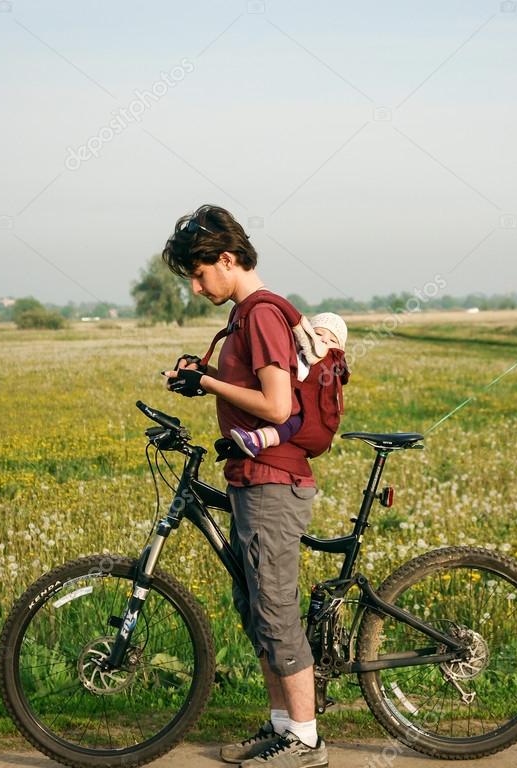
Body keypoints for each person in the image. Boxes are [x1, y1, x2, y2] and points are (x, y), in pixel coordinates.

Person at [162, 205, 329, 768]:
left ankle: (306, 742)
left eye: (198, 270)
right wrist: (202, 383)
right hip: (251, 478)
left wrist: (207, 380)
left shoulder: (258, 315)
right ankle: (282, 727)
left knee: (276, 610)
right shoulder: (245, 315)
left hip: (272, 483)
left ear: (227, 259)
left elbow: (277, 405)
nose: (194, 284)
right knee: (257, 606)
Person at [229, 312, 348, 459]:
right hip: (288, 404)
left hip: (306, 416)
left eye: (332, 340)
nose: (324, 340)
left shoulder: (328, 368)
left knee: (292, 423)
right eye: (318, 333)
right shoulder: (298, 354)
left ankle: (257, 440)